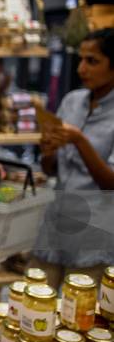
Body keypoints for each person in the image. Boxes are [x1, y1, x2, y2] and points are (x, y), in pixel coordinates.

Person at [31, 28, 114, 288]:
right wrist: (48, 151)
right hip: (55, 224)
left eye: (92, 61)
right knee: (32, 305)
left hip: (94, 234)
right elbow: (52, 169)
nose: (81, 69)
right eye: (81, 59)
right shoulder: (72, 101)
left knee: (79, 319)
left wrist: (79, 141)